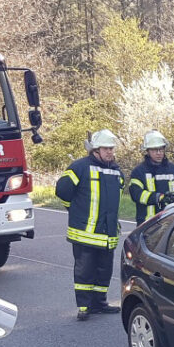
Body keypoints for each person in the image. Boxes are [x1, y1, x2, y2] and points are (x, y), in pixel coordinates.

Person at [56, 129, 124, 320]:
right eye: (106, 148)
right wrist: (75, 211)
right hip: (84, 233)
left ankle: (99, 303)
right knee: (85, 271)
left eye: (111, 148)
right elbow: (62, 191)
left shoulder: (116, 172)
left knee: (104, 270)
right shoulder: (79, 167)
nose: (110, 152)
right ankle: (84, 307)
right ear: (95, 150)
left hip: (107, 233)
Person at [128, 130, 174, 225]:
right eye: (155, 150)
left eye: (161, 149)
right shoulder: (139, 172)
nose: (159, 153)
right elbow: (136, 194)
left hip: (171, 224)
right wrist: (159, 198)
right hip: (147, 225)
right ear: (148, 151)